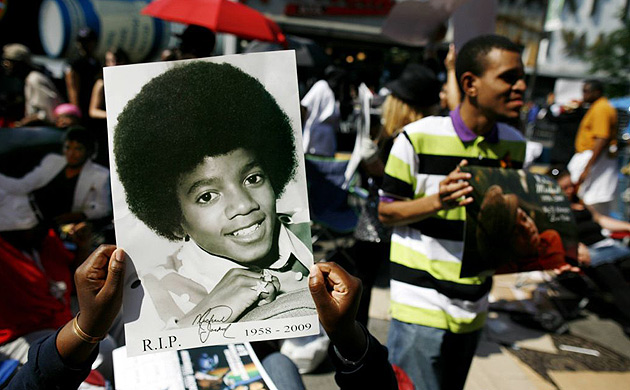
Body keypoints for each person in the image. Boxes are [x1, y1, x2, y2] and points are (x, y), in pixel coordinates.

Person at [114, 61, 315, 328]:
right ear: (175, 222)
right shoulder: (151, 298)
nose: (243, 205)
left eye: (252, 179)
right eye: (207, 196)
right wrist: (202, 317)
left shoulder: (312, 239)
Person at [378, 34, 527, 390]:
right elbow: (386, 213)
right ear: (470, 84)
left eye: (522, 77)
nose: (521, 87)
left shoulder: (515, 146)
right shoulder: (416, 138)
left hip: (474, 305)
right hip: (420, 301)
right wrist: (437, 201)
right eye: (509, 77)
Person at [2, 244, 125, 389]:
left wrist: (82, 243)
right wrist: (87, 327)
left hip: (61, 314)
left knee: (124, 317)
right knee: (104, 356)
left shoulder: (47, 239)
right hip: (22, 332)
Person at [556, 170, 630, 333]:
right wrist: (575, 246)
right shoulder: (555, 210)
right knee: (614, 279)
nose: (570, 190)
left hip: (607, 245)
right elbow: (556, 234)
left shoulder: (580, 202)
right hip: (586, 252)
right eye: (564, 188)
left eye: (571, 186)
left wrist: (627, 226)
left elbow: (601, 219)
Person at [0, 126, 111, 225]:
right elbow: (23, 186)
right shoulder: (53, 161)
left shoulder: (101, 175)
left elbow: (104, 208)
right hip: (27, 214)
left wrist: (79, 215)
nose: (71, 153)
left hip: (61, 226)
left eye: (78, 149)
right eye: (68, 147)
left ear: (89, 151)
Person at [476, 185, 567, 273]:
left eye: (524, 218)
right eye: (517, 232)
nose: (527, 227)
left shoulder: (550, 240)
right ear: (506, 246)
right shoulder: (506, 273)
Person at [567, 79, 618, 215]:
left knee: (592, 201)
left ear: (597, 92)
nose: (583, 95)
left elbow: (602, 138)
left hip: (595, 159)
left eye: (586, 91)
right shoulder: (597, 107)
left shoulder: (602, 108)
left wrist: (587, 168)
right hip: (592, 158)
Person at [2, 43, 63, 126]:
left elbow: (49, 114)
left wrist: (22, 123)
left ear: (19, 63)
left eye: (8, 61)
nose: (5, 65)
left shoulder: (35, 79)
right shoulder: (28, 80)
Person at [65, 28, 100, 124]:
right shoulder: (75, 62)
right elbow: (72, 88)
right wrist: (76, 111)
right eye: (82, 42)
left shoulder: (95, 61)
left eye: (89, 42)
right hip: (82, 107)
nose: (85, 45)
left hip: (93, 104)